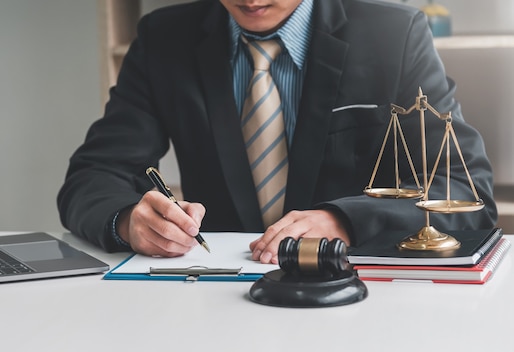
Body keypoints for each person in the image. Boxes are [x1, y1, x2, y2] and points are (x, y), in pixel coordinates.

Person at [57, 0, 497, 264]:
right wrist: (128, 221)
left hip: (361, 296)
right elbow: (93, 177)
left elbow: (467, 190)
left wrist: (345, 221)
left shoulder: (395, 34)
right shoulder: (163, 38)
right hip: (212, 299)